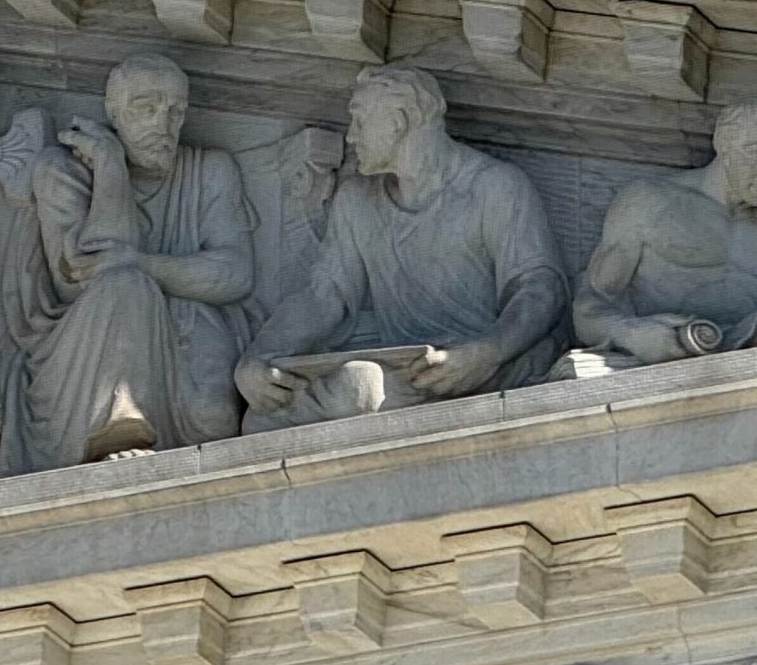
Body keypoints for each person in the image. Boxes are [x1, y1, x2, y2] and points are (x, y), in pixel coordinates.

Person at [238, 65, 564, 429]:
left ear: (401, 120)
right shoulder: (357, 200)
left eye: (359, 121)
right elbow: (323, 295)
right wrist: (257, 358)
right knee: (261, 418)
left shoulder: (494, 188)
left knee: (358, 388)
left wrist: (487, 352)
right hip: (406, 369)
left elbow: (538, 288)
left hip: (486, 364)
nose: (350, 138)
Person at [6, 54, 255, 465]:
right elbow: (86, 274)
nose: (163, 125)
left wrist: (142, 262)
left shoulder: (210, 169)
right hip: (88, 336)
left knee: (216, 419)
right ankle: (120, 418)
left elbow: (235, 274)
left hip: (185, 323)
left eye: (175, 112)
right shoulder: (60, 169)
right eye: (146, 108)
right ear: (112, 112)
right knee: (125, 286)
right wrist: (110, 168)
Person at [558, 104, 757, 377]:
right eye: (753, 151)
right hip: (654, 365)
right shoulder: (650, 201)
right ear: (724, 144)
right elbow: (590, 306)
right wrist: (631, 334)